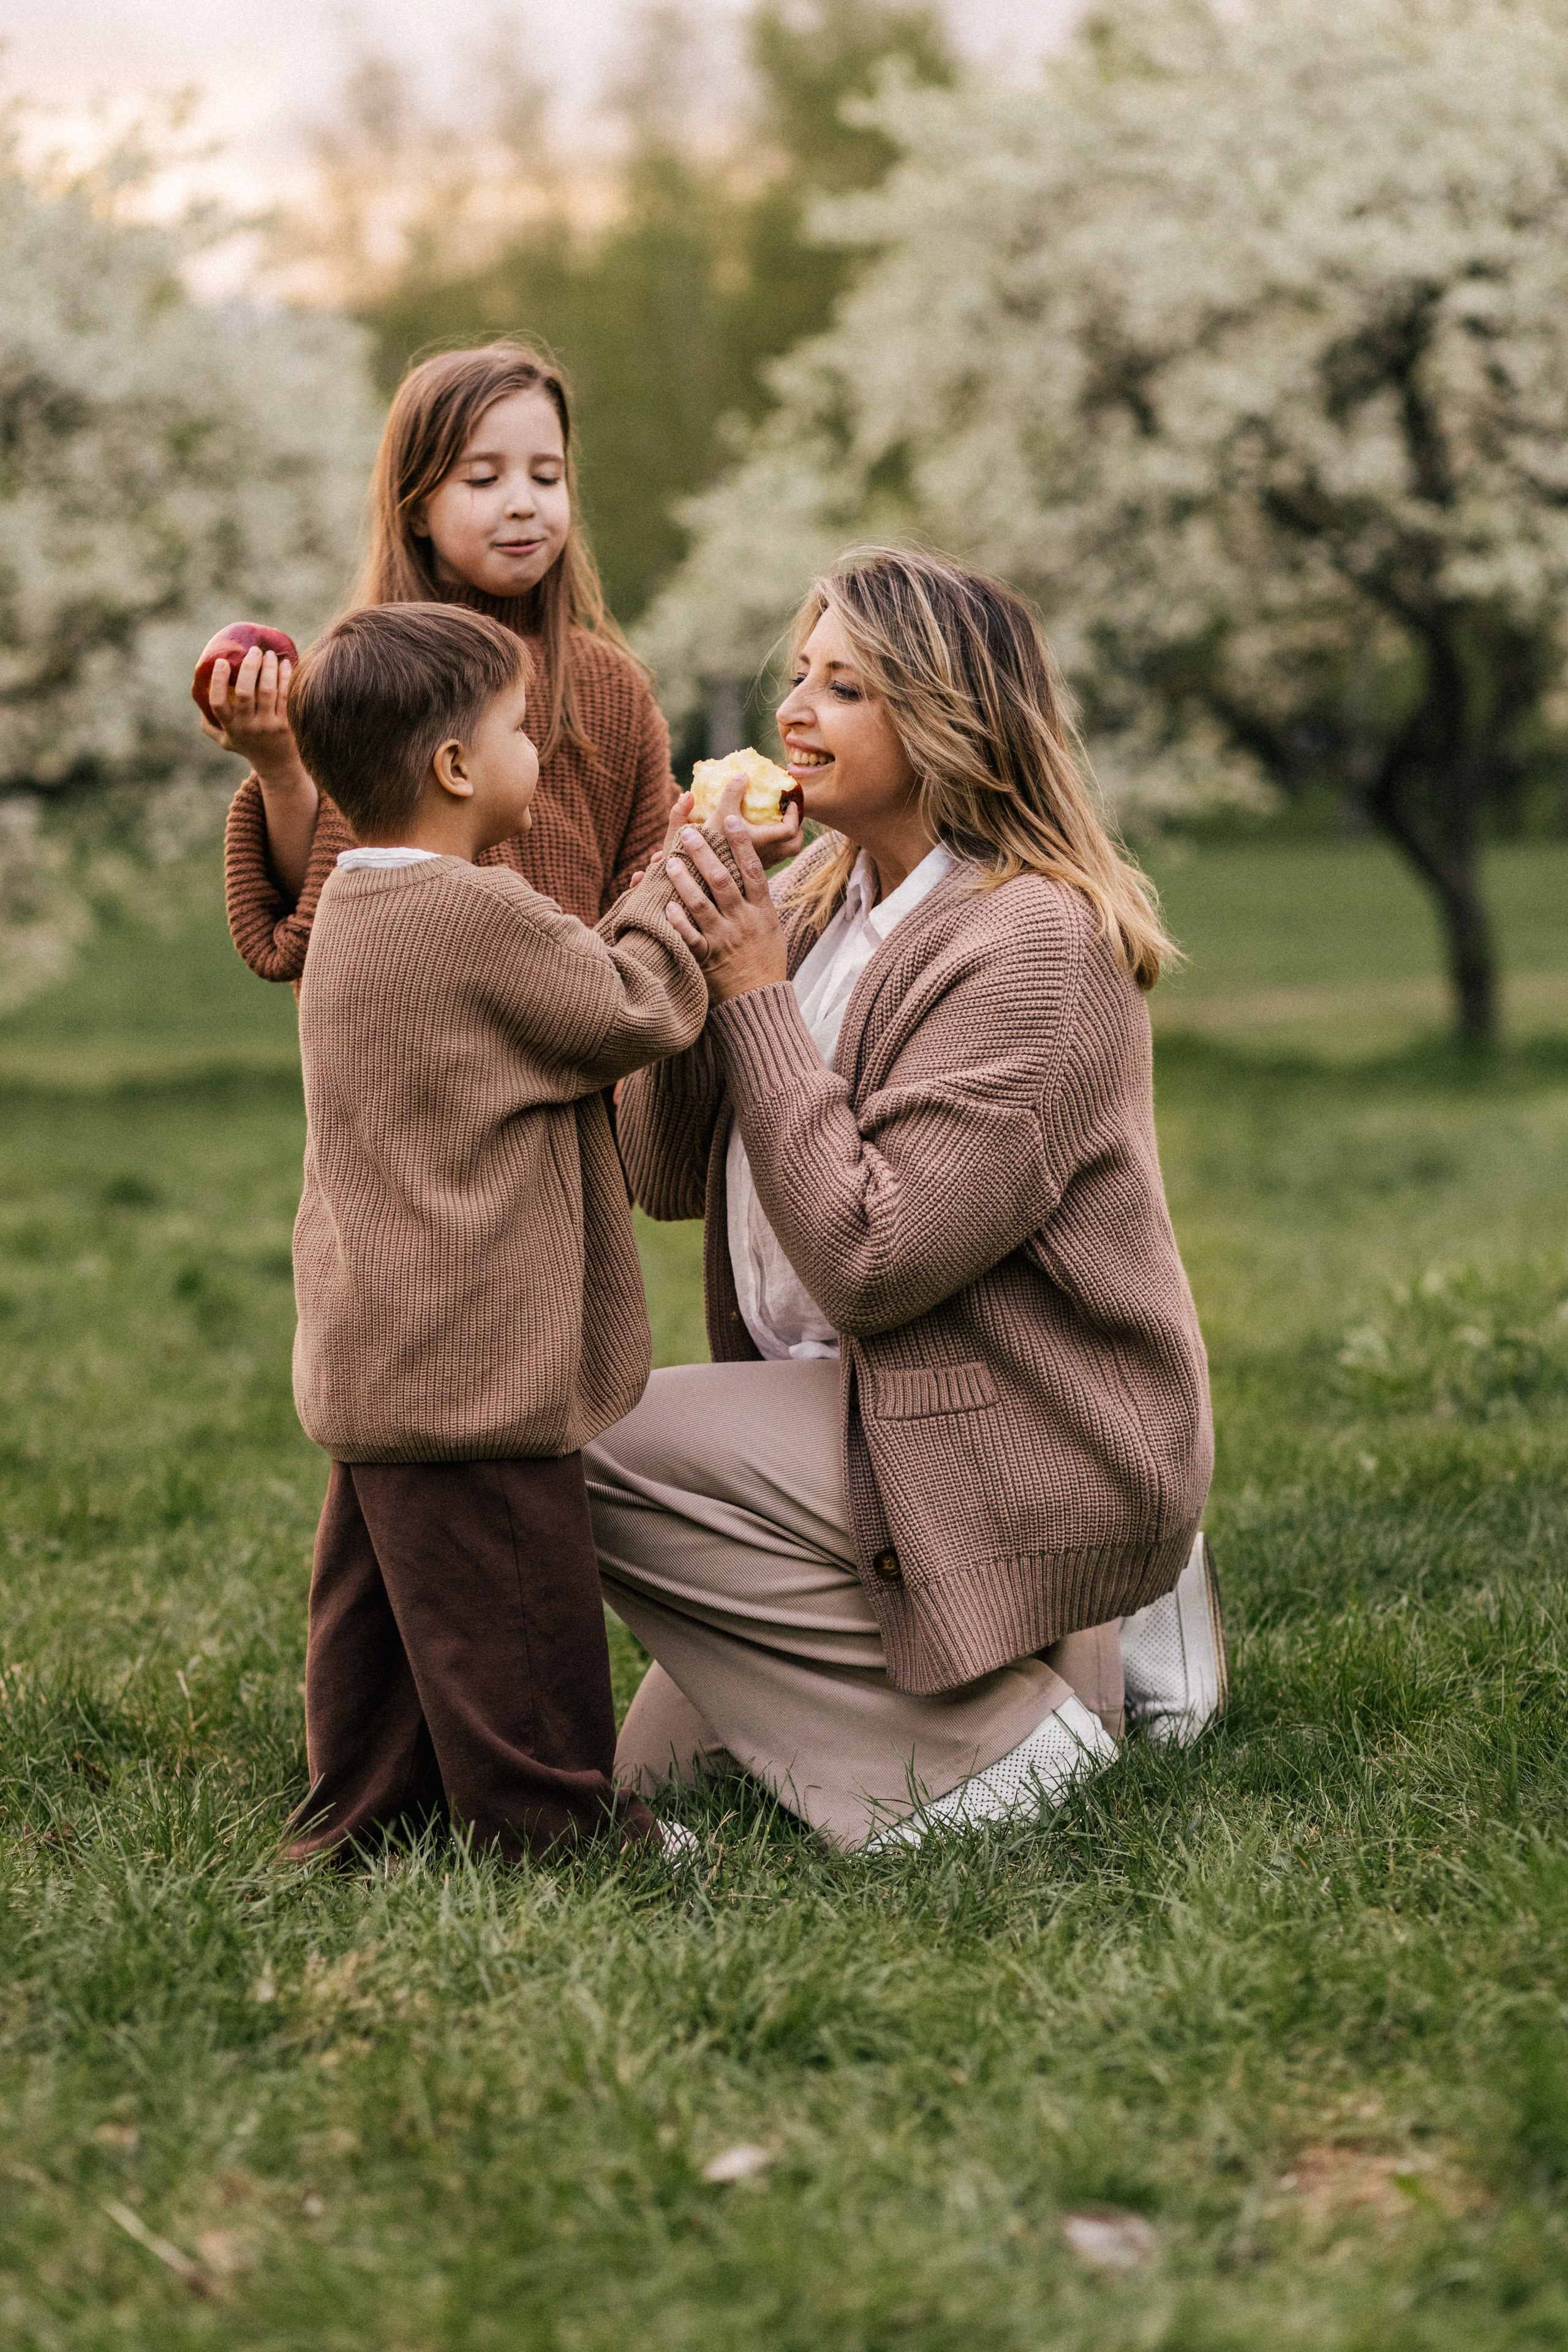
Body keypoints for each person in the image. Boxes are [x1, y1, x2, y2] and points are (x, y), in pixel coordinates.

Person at [587, 548, 1223, 1853]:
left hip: (1004, 1430)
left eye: (845, 689)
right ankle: (1060, 1667)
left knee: (577, 1431)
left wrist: (754, 991)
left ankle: (1002, 1751)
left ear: (945, 726)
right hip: (856, 1408)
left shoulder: (1029, 947)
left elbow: (873, 1259)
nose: (793, 714)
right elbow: (660, 1174)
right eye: (798, 677)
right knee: (664, 1782)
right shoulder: (820, 902)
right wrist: (676, 919)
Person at [276, 600, 784, 1864]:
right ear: (454, 767)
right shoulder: (470, 913)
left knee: (388, 1619)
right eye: (519, 730)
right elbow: (620, 1008)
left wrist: (649, 881)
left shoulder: (358, 904)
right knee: (516, 1607)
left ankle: (362, 1816)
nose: (540, 754)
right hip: (477, 1360)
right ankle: (558, 1831)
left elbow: (557, 984)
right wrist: (700, 878)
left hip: (381, 1349)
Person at [204, 341, 677, 979]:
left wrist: (722, 842)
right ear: (417, 508)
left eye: (547, 476)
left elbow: (650, 887)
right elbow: (318, 914)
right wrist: (279, 767)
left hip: (578, 1058)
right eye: (483, 479)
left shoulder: (610, 687)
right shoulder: (368, 681)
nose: (523, 502)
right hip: (413, 1054)